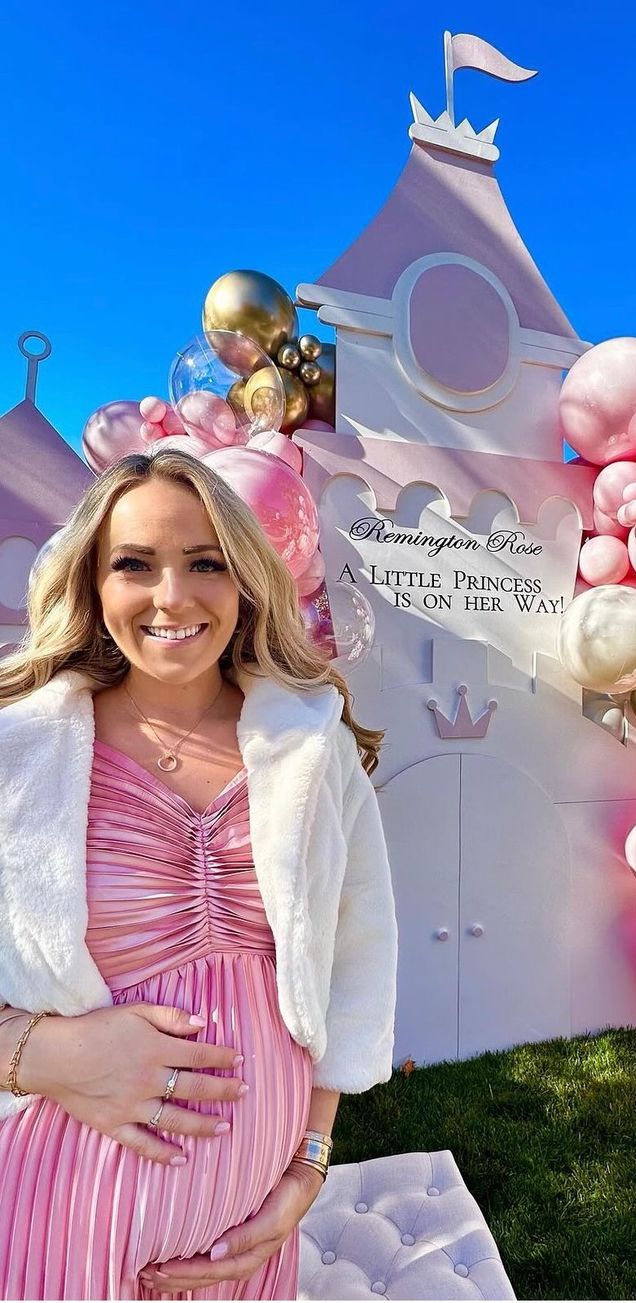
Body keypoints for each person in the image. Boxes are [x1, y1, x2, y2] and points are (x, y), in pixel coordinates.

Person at [0, 448, 398, 1301]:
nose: (172, 596)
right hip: (55, 1215)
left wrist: (308, 1167)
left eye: (206, 562)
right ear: (94, 584)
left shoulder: (312, 746)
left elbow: (357, 962)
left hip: (252, 1230)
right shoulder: (17, 752)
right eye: (134, 564)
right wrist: (38, 1053)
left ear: (247, 581)